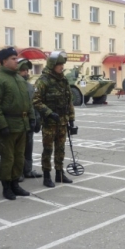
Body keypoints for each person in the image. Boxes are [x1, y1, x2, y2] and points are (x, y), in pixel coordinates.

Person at [0, 47, 33, 200]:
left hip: (22, 124)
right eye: (13, 59)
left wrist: (32, 118)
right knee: (8, 158)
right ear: (4, 61)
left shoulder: (19, 79)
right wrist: (2, 126)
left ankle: (15, 184)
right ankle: (6, 186)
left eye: (16, 58)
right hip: (8, 125)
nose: (16, 61)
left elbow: (28, 101)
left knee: (19, 156)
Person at [33, 51, 75, 187]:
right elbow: (36, 101)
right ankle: (46, 175)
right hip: (49, 122)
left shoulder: (63, 81)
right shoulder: (43, 81)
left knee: (60, 149)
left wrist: (71, 118)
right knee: (48, 149)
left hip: (63, 121)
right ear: (52, 65)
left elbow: (69, 100)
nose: (62, 67)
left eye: (62, 65)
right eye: (59, 65)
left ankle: (59, 173)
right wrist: (49, 113)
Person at [17, 58, 42, 180]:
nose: (26, 73)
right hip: (18, 123)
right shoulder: (13, 85)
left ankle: (27, 170)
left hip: (29, 123)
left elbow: (34, 104)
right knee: (18, 149)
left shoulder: (29, 86)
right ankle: (18, 172)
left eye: (27, 70)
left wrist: (37, 120)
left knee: (28, 147)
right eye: (23, 70)